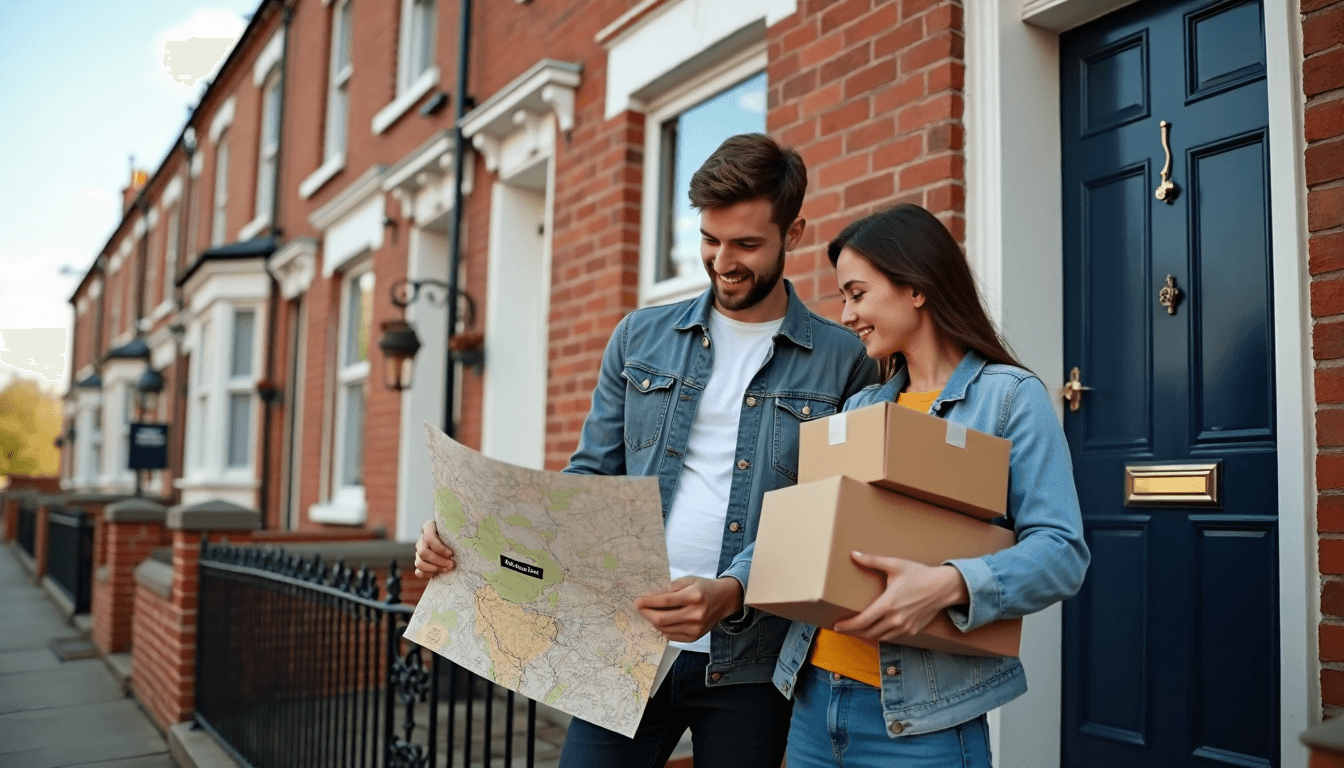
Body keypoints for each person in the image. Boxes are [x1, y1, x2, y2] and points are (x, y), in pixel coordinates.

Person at [413, 132, 879, 767]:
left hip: (750, 661)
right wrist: (466, 537)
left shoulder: (845, 360)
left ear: (793, 234)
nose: (723, 262)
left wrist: (732, 589)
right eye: (710, 240)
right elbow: (586, 483)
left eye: (746, 244)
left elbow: (829, 511)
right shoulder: (640, 337)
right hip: (622, 644)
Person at [768, 204, 1090, 767]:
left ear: (915, 287)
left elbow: (1061, 552)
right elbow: (805, 530)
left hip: (922, 725)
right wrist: (723, 584)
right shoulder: (862, 406)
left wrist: (946, 585)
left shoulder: (1010, 399)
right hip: (814, 702)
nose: (846, 314)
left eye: (857, 293)